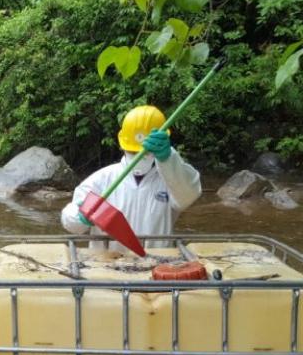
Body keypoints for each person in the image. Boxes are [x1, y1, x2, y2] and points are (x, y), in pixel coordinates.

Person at [61, 105, 202, 250]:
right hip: (108, 265)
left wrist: (169, 158)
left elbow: (188, 196)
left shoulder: (172, 177)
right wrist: (79, 218)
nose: (137, 158)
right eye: (132, 152)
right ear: (122, 147)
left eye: (144, 153)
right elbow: (71, 222)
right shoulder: (102, 179)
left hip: (158, 264)